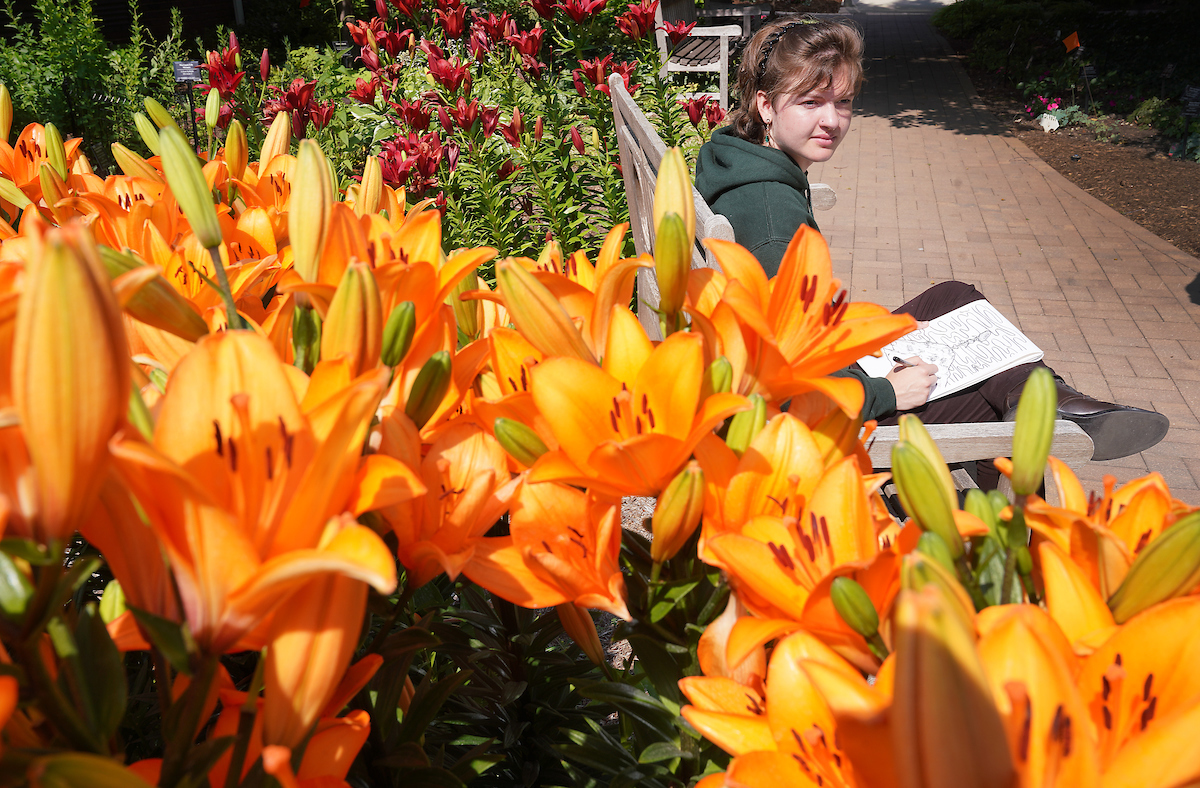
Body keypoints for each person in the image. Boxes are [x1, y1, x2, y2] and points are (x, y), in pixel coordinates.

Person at [695, 17, 1169, 475]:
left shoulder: (740, 161)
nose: (832, 120)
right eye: (811, 102)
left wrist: (877, 332)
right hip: (818, 423)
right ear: (765, 105)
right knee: (987, 392)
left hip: (813, 367)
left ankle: (1043, 400)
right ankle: (1030, 439)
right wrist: (885, 393)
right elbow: (786, 370)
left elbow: (792, 325)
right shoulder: (775, 220)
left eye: (843, 102)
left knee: (953, 298)